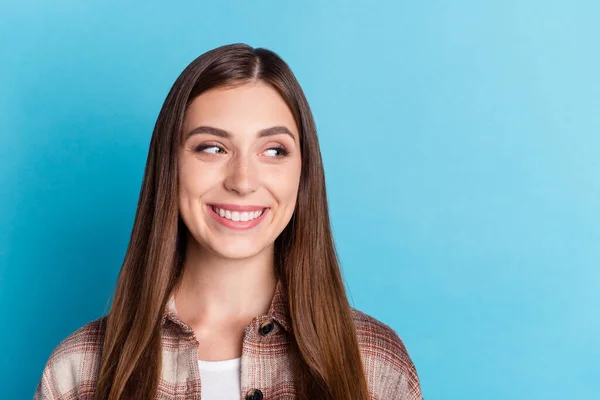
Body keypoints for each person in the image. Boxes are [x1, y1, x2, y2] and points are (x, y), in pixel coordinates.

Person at [34, 43, 422, 400]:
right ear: (170, 166)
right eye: (212, 147)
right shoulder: (78, 370)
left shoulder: (375, 364)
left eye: (273, 150)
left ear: (303, 174)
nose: (243, 181)